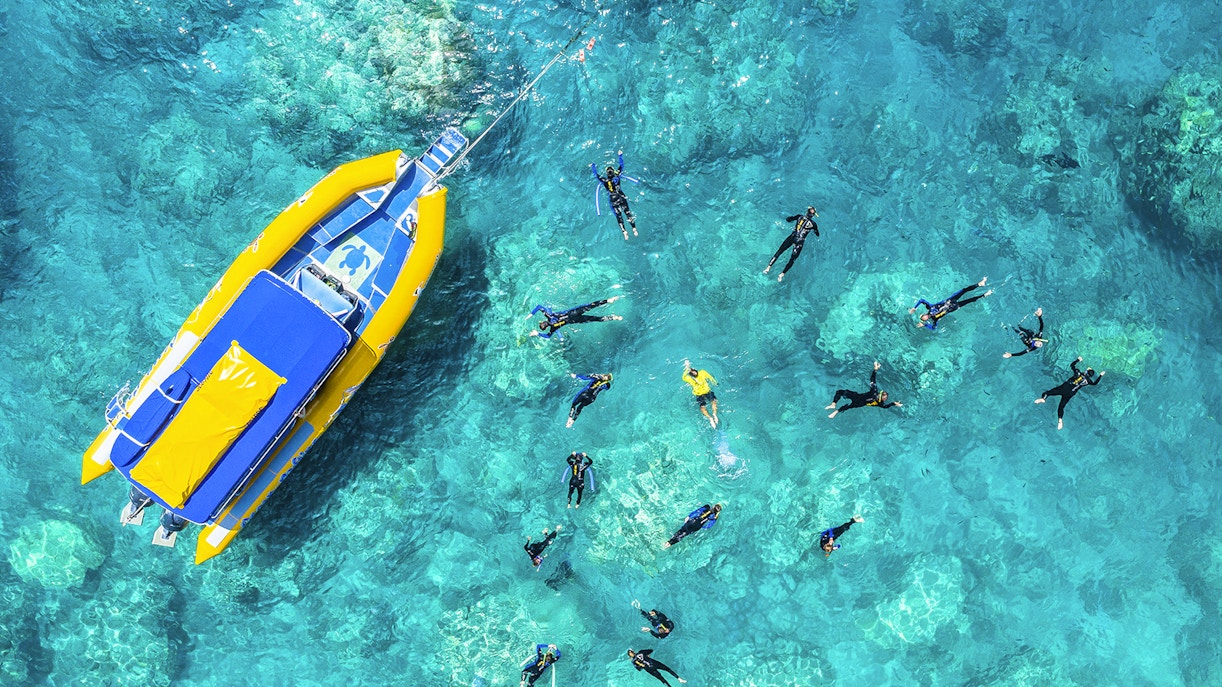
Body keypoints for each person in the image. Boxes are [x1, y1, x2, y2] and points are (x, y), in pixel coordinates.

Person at [1034, 356, 1104, 430]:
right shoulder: (1088, 381)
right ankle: (1060, 420)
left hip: (1065, 387)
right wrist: (1100, 375)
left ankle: (1043, 399)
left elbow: (1072, 365)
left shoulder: (1078, 372)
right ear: (1090, 376)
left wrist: (1078, 360)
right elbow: (1095, 383)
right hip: (1070, 393)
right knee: (1061, 407)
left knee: (1047, 393)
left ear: (1086, 371)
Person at [910, 277, 993, 330]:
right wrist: (924, 325)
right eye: (924, 319)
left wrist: (914, 307)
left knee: (964, 290)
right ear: (926, 320)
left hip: (950, 300)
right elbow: (934, 328)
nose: (925, 318)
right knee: (970, 300)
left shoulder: (930, 307)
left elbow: (921, 300)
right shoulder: (935, 319)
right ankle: (984, 295)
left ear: (924, 314)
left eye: (923, 317)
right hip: (955, 307)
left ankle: (979, 284)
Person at [825, 361, 902, 419]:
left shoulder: (874, 392)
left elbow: (872, 379)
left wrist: (875, 369)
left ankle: (834, 404)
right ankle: (836, 410)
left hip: (857, 397)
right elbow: (886, 406)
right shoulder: (880, 403)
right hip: (859, 403)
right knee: (848, 406)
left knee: (840, 392)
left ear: (880, 394)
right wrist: (894, 403)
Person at [763, 206, 819, 283]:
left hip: (792, 237)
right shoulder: (814, 224)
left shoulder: (799, 217)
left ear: (806, 212)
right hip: (800, 241)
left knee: (779, 251)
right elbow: (817, 234)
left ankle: (768, 268)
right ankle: (781, 274)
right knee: (792, 259)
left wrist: (790, 219)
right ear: (813, 215)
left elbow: (789, 219)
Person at [530, 296, 623, 340]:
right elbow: (539, 307)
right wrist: (531, 314)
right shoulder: (549, 315)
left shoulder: (554, 328)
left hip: (574, 320)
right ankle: (607, 300)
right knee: (590, 305)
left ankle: (614, 317)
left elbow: (548, 336)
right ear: (544, 321)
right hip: (573, 313)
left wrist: (537, 334)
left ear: (547, 327)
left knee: (595, 319)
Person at [592, 151, 638, 239]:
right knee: (627, 212)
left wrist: (593, 166)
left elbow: (596, 175)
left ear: (606, 174)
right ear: (614, 172)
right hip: (621, 197)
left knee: (619, 216)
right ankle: (634, 228)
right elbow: (622, 166)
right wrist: (620, 155)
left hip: (613, 200)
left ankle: (624, 231)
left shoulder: (604, 181)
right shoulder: (617, 177)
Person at [681, 360, 719, 428]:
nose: (695, 373)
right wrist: (687, 368)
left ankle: (714, 415)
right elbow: (710, 377)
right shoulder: (694, 376)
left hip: (703, 392)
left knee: (711, 403)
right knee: (706, 405)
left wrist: (687, 367)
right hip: (701, 393)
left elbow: (710, 378)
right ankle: (710, 418)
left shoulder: (698, 374)